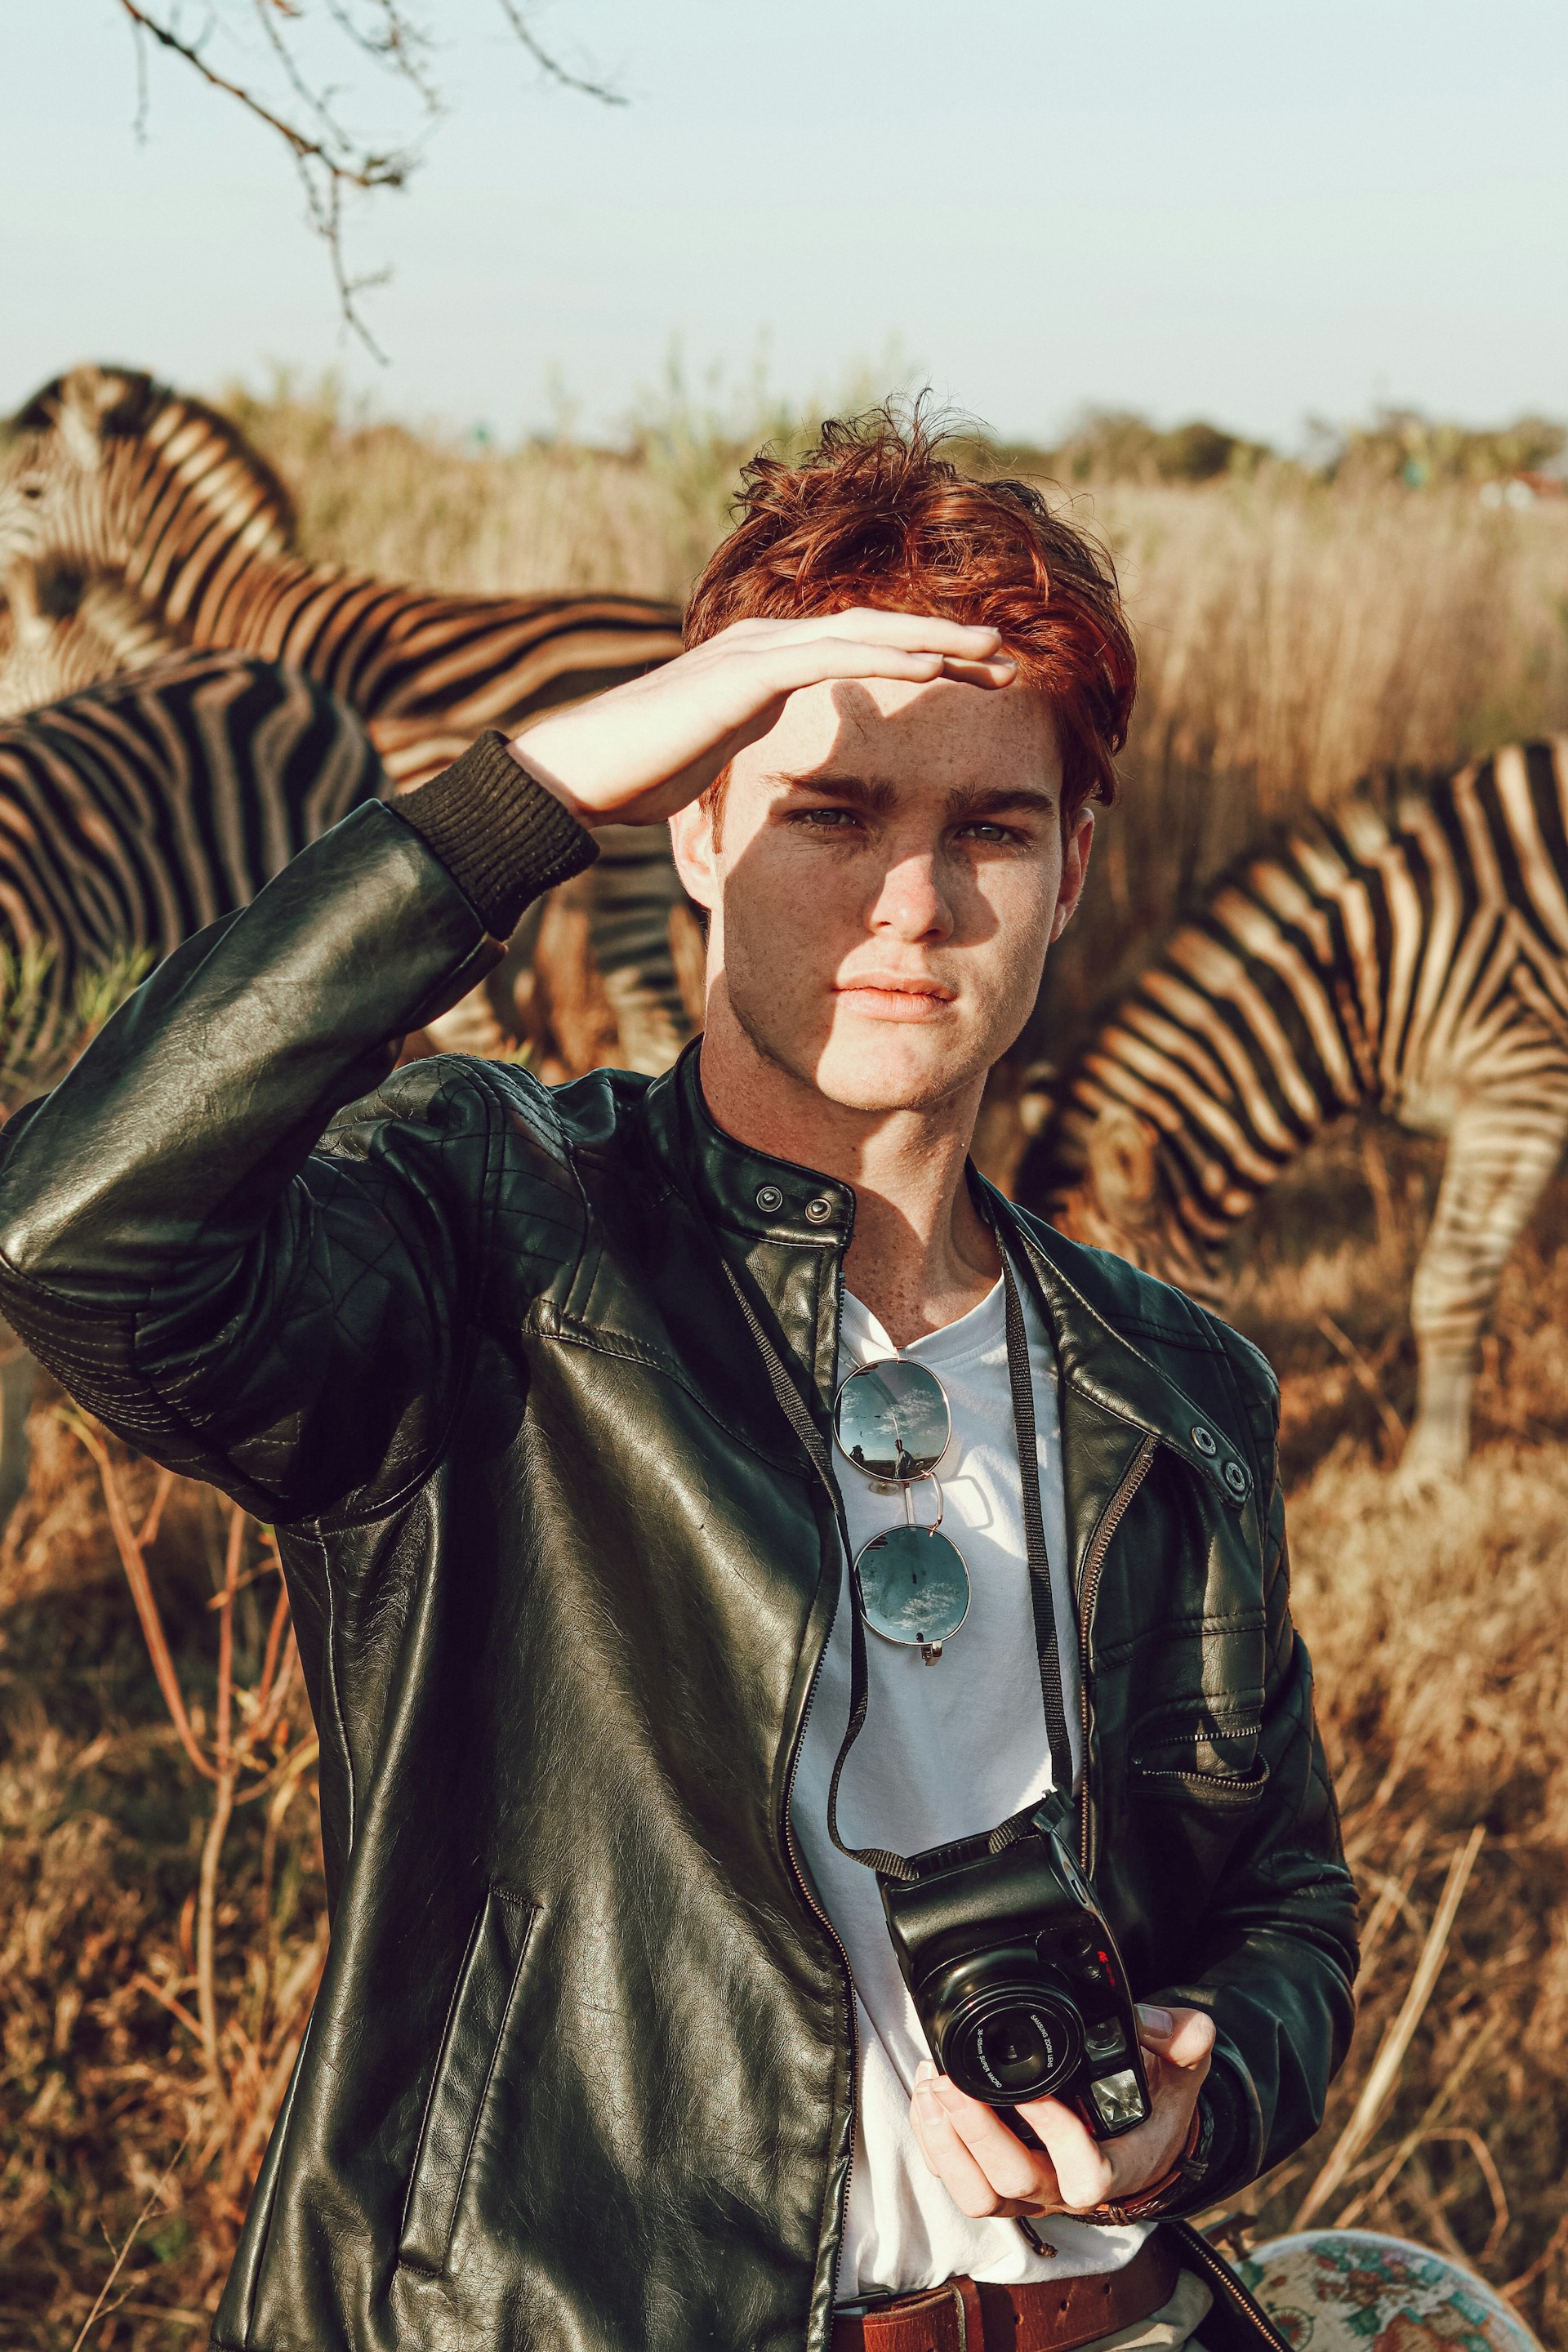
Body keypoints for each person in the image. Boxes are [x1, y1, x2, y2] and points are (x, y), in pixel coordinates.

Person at [0, 412, 1356, 2352]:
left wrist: (1199, 2096)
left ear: (1074, 869)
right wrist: (512, 807)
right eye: (831, 812)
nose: (913, 903)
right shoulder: (495, 1229)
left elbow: (1288, 1903)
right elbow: (75, 1230)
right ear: (698, 826)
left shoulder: (1176, 1386)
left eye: (988, 827)